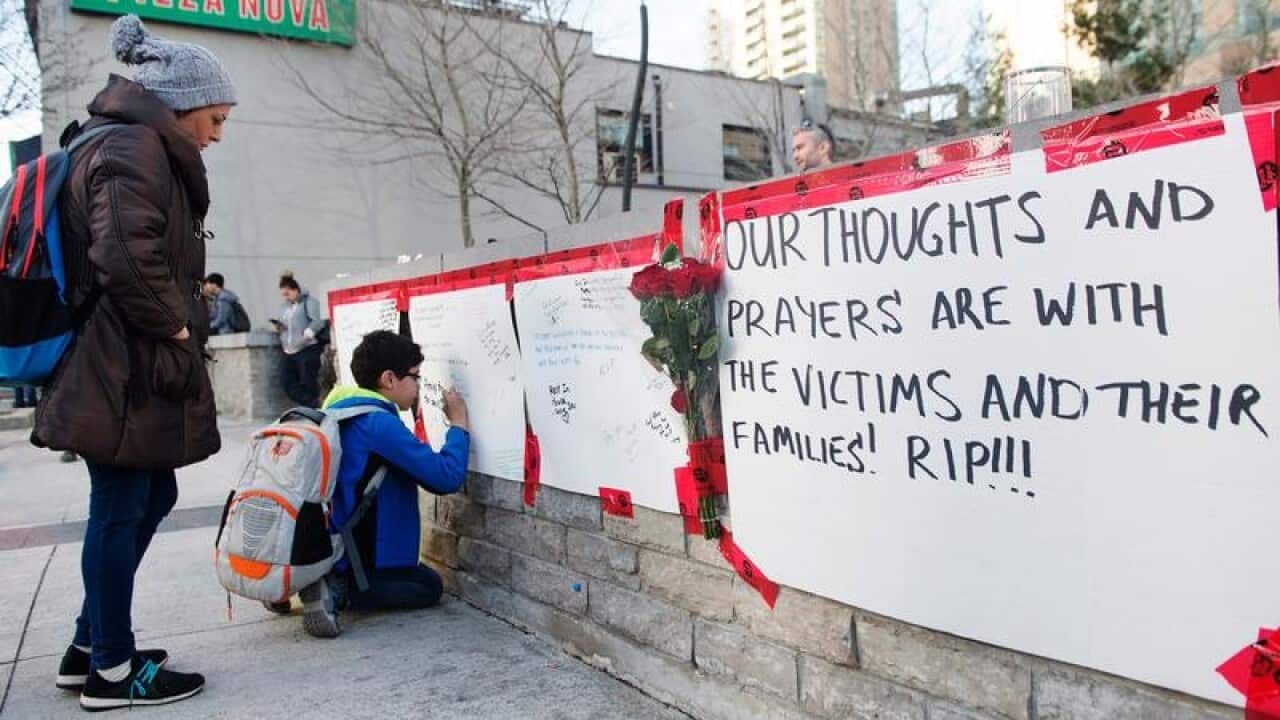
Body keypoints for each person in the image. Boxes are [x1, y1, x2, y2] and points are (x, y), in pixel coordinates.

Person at [31, 15, 234, 710]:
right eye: (213, 117)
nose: (216, 133)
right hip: (117, 362)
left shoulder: (128, 142)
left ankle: (90, 648)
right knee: (120, 505)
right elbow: (124, 253)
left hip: (121, 357)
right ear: (179, 105)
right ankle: (111, 674)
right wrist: (176, 323)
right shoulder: (130, 146)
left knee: (148, 496)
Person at [293, 330, 469, 638]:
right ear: (389, 379)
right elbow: (445, 477)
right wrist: (458, 425)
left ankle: (317, 580)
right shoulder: (378, 424)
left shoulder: (336, 409)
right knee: (429, 586)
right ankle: (339, 591)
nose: (418, 386)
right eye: (415, 376)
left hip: (334, 548)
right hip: (362, 563)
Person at [275, 273, 326, 408]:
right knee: (286, 381)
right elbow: (286, 323)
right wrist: (280, 328)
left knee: (309, 382)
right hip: (289, 349)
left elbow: (319, 320)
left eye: (288, 293)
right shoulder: (285, 306)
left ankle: (315, 408)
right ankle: (313, 405)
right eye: (283, 294)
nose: (286, 297)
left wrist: (309, 331)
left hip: (307, 348)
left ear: (295, 290)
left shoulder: (309, 302)